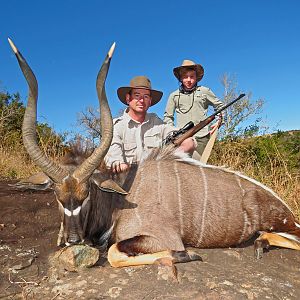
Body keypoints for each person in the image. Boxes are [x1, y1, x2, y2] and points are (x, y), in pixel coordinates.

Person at [105, 75, 196, 173]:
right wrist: (120, 165)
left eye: (146, 96)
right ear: (128, 98)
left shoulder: (157, 123)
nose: (141, 100)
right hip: (127, 180)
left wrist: (173, 153)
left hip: (156, 178)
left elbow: (189, 141)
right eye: (137, 95)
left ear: (150, 101)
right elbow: (114, 159)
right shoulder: (116, 126)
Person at [163, 59, 224, 157]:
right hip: (182, 138)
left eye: (192, 77)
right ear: (180, 78)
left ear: (196, 78)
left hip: (202, 137)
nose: (189, 80)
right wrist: (173, 133)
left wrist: (219, 121)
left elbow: (220, 106)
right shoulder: (173, 96)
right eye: (185, 77)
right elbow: (168, 117)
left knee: (197, 167)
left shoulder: (204, 91)